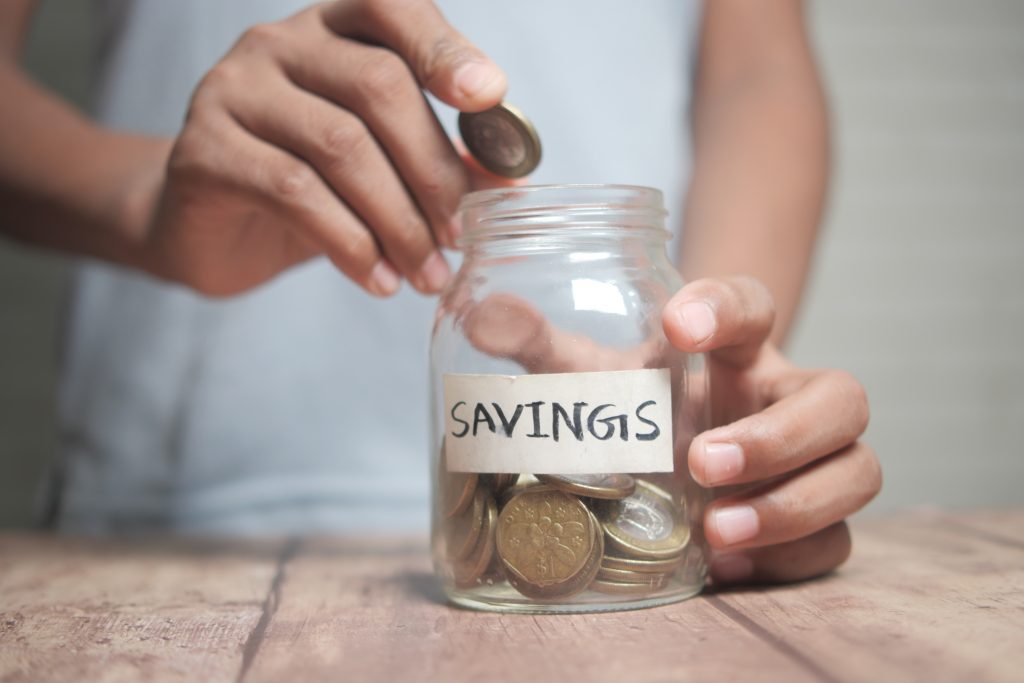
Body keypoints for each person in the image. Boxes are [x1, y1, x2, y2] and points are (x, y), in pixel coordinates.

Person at [0, 0, 880, 586]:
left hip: (625, 444)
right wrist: (146, 203)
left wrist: (691, 364)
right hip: (165, 519)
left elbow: (755, 70)